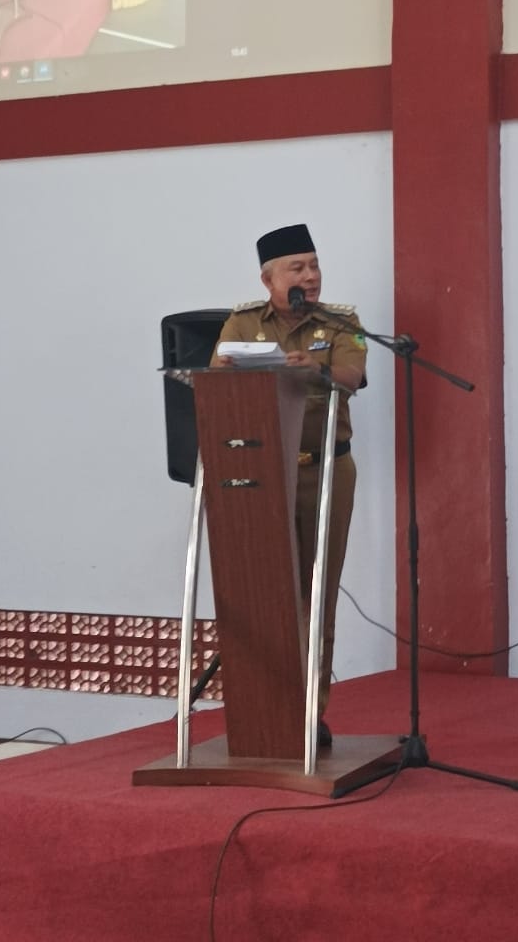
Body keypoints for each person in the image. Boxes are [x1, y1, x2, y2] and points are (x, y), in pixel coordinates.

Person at [212, 223, 367, 748]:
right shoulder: (241, 322)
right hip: (260, 473)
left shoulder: (342, 322)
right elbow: (215, 378)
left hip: (324, 472)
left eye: (314, 265)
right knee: (264, 593)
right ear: (268, 279)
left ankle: (307, 713)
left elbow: (352, 375)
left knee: (314, 595)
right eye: (297, 268)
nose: (311, 276)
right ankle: (264, 710)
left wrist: (315, 370)